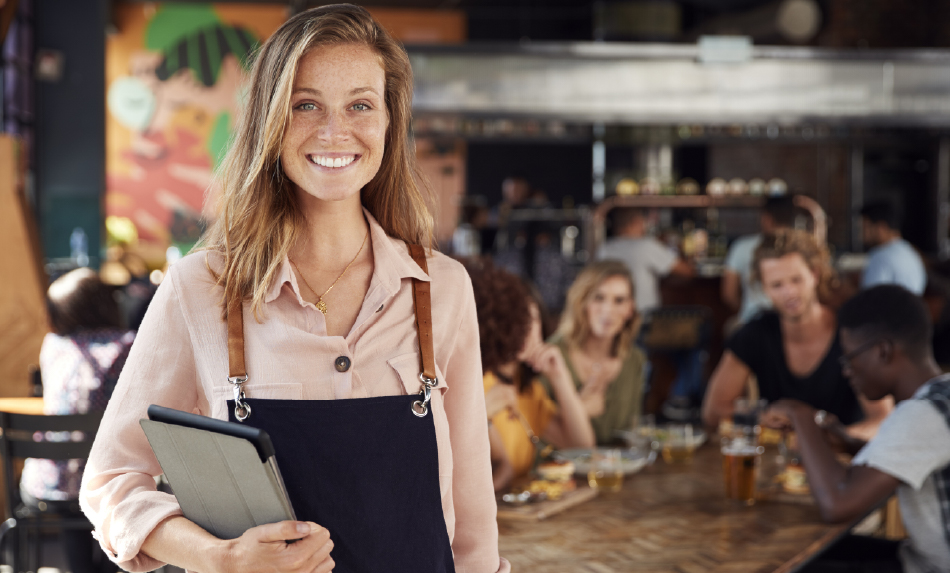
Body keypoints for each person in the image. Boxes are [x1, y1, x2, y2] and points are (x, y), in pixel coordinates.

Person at [79, 6, 508, 573]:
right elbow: (111, 481)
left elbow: (473, 515)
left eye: (361, 105)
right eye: (305, 105)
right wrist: (220, 557)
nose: (335, 132)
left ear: (388, 121)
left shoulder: (441, 289)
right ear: (270, 122)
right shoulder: (203, 288)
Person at [764, 285, 950, 573]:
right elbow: (910, 460)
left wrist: (799, 414)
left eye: (849, 357)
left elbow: (837, 504)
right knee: (808, 555)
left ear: (883, 352)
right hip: (921, 559)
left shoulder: (923, 414)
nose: (845, 370)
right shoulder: (941, 395)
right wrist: (849, 443)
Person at [702, 229, 892, 439]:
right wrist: (762, 415)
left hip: (846, 460)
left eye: (796, 280)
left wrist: (834, 440)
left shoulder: (853, 333)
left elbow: (883, 419)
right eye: (777, 285)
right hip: (781, 465)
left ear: (815, 275)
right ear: (764, 289)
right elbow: (713, 411)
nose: (789, 293)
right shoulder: (756, 333)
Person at [19, 268, 134, 573]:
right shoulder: (127, 346)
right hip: (110, 486)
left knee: (75, 497)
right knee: (110, 492)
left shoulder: (53, 346)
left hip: (49, 484)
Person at [465, 259, 594, 490]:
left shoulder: (528, 390)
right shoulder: (479, 384)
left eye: (532, 319)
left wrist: (559, 377)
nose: (525, 329)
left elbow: (582, 449)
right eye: (517, 319)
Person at [547, 261, 648, 445]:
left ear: (630, 309)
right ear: (582, 302)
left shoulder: (635, 360)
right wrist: (579, 409)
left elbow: (632, 434)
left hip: (617, 470)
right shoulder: (552, 357)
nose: (608, 310)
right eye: (598, 298)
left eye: (619, 300)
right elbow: (531, 425)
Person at [596, 207, 693, 314]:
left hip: (612, 314)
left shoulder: (604, 249)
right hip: (643, 316)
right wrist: (677, 247)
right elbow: (688, 271)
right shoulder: (646, 245)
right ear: (635, 222)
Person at [721, 195, 797, 325]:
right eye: (775, 284)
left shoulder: (742, 247)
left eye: (796, 280)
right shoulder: (804, 249)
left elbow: (729, 294)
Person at [860, 199, 926, 295]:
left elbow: (871, 300)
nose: (861, 235)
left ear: (881, 227)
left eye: (864, 227)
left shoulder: (880, 257)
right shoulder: (910, 252)